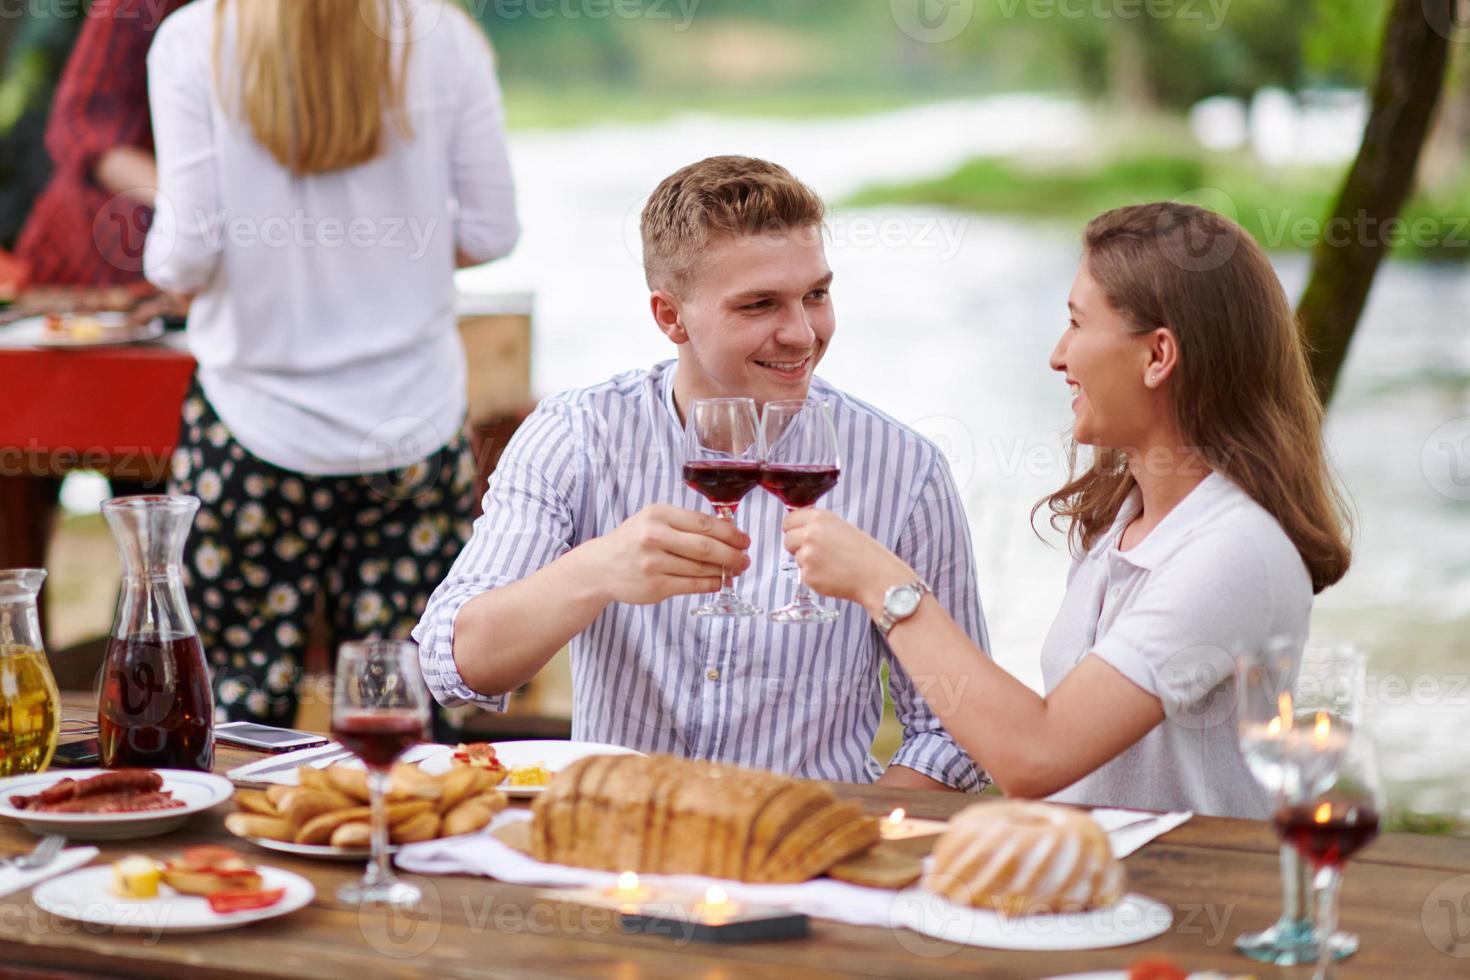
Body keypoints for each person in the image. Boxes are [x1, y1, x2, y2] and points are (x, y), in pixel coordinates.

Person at [415, 156, 990, 792]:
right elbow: (454, 667)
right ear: (670, 317)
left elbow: (956, 730)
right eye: (760, 305)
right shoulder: (577, 435)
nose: (802, 333)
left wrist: (829, 841)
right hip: (616, 842)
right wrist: (598, 570)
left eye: (816, 295)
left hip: (803, 859)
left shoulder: (904, 468)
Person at [782, 203, 1353, 818]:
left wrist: (884, 585)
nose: (1058, 356)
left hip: (1199, 904)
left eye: (1077, 324)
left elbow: (1038, 755)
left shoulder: (1235, 552)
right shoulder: (1117, 524)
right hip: (1095, 895)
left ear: (1158, 356)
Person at [144, 0, 518, 723]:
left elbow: (184, 257)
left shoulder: (193, 40)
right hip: (413, 423)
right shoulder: (442, 35)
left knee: (235, 720)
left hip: (252, 432)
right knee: (403, 711)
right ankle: (404, 840)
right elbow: (491, 230)